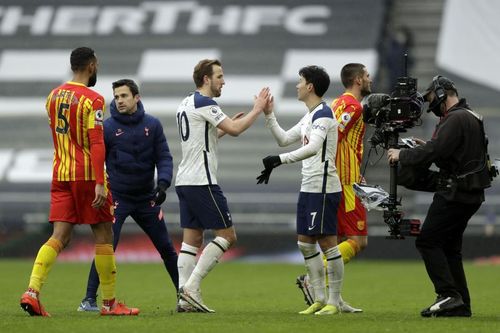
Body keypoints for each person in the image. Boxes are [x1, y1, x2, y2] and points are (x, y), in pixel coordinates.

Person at [19, 47, 139, 316]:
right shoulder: (93, 100)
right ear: (92, 66)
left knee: (59, 236)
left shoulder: (52, 96)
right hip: (86, 176)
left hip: (60, 173)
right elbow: (96, 142)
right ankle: (109, 303)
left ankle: (32, 291)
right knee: (104, 234)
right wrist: (99, 182)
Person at [387, 76, 490, 317]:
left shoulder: (455, 117)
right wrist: (426, 146)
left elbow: (436, 150)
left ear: (443, 93)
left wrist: (401, 155)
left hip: (455, 193)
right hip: (470, 193)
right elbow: (451, 153)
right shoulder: (469, 115)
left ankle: (448, 295)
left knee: (428, 241)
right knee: (450, 248)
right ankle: (461, 303)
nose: (430, 103)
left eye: (432, 97)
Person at [175, 59, 271, 313]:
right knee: (227, 235)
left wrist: (224, 129)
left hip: (184, 179)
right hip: (201, 181)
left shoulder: (186, 102)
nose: (223, 81)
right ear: (206, 79)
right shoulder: (206, 102)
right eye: (219, 76)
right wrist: (257, 109)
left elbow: (202, 137)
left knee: (192, 239)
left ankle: (184, 299)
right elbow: (237, 128)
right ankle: (190, 288)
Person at [77, 79, 178, 312]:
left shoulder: (152, 125)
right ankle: (89, 299)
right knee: (107, 246)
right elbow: (97, 160)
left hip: (146, 198)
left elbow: (164, 157)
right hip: (118, 198)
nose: (119, 100)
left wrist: (163, 184)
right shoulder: (108, 127)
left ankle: (185, 294)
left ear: (136, 97)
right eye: (117, 96)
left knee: (166, 248)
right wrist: (100, 186)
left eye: (124, 96)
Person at [257, 65, 344, 315]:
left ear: (310, 87)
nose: (296, 85)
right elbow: (283, 139)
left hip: (324, 187)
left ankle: (333, 302)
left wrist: (279, 160)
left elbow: (314, 147)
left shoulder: (324, 115)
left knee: (328, 243)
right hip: (308, 187)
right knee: (305, 243)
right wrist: (269, 114)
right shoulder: (310, 115)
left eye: (300, 81)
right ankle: (318, 299)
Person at [296, 63, 372, 313]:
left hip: (337, 178)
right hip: (345, 180)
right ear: (359, 79)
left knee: (335, 239)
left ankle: (335, 299)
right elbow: (333, 135)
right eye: (367, 75)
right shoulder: (352, 105)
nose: (370, 79)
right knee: (358, 241)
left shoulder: (338, 102)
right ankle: (313, 280)